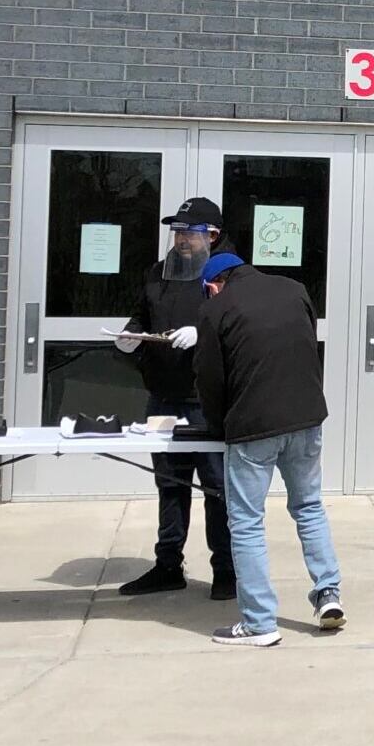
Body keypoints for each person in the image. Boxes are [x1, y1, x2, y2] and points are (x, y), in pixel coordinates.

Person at [193, 251, 343, 647]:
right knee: (309, 507)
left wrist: (217, 425)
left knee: (246, 523)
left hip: (253, 426)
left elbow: (209, 378)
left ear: (213, 285)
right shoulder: (295, 290)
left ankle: (260, 623)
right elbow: (306, 347)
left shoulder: (216, 309)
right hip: (306, 418)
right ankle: (328, 593)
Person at [112, 197, 233, 599]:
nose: (181, 239)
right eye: (177, 232)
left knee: (216, 487)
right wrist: (131, 335)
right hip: (163, 396)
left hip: (205, 399)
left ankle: (226, 570)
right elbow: (142, 314)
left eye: (189, 232)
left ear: (212, 236)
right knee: (170, 483)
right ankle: (167, 565)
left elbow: (239, 324)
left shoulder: (226, 274)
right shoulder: (158, 272)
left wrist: (204, 333)